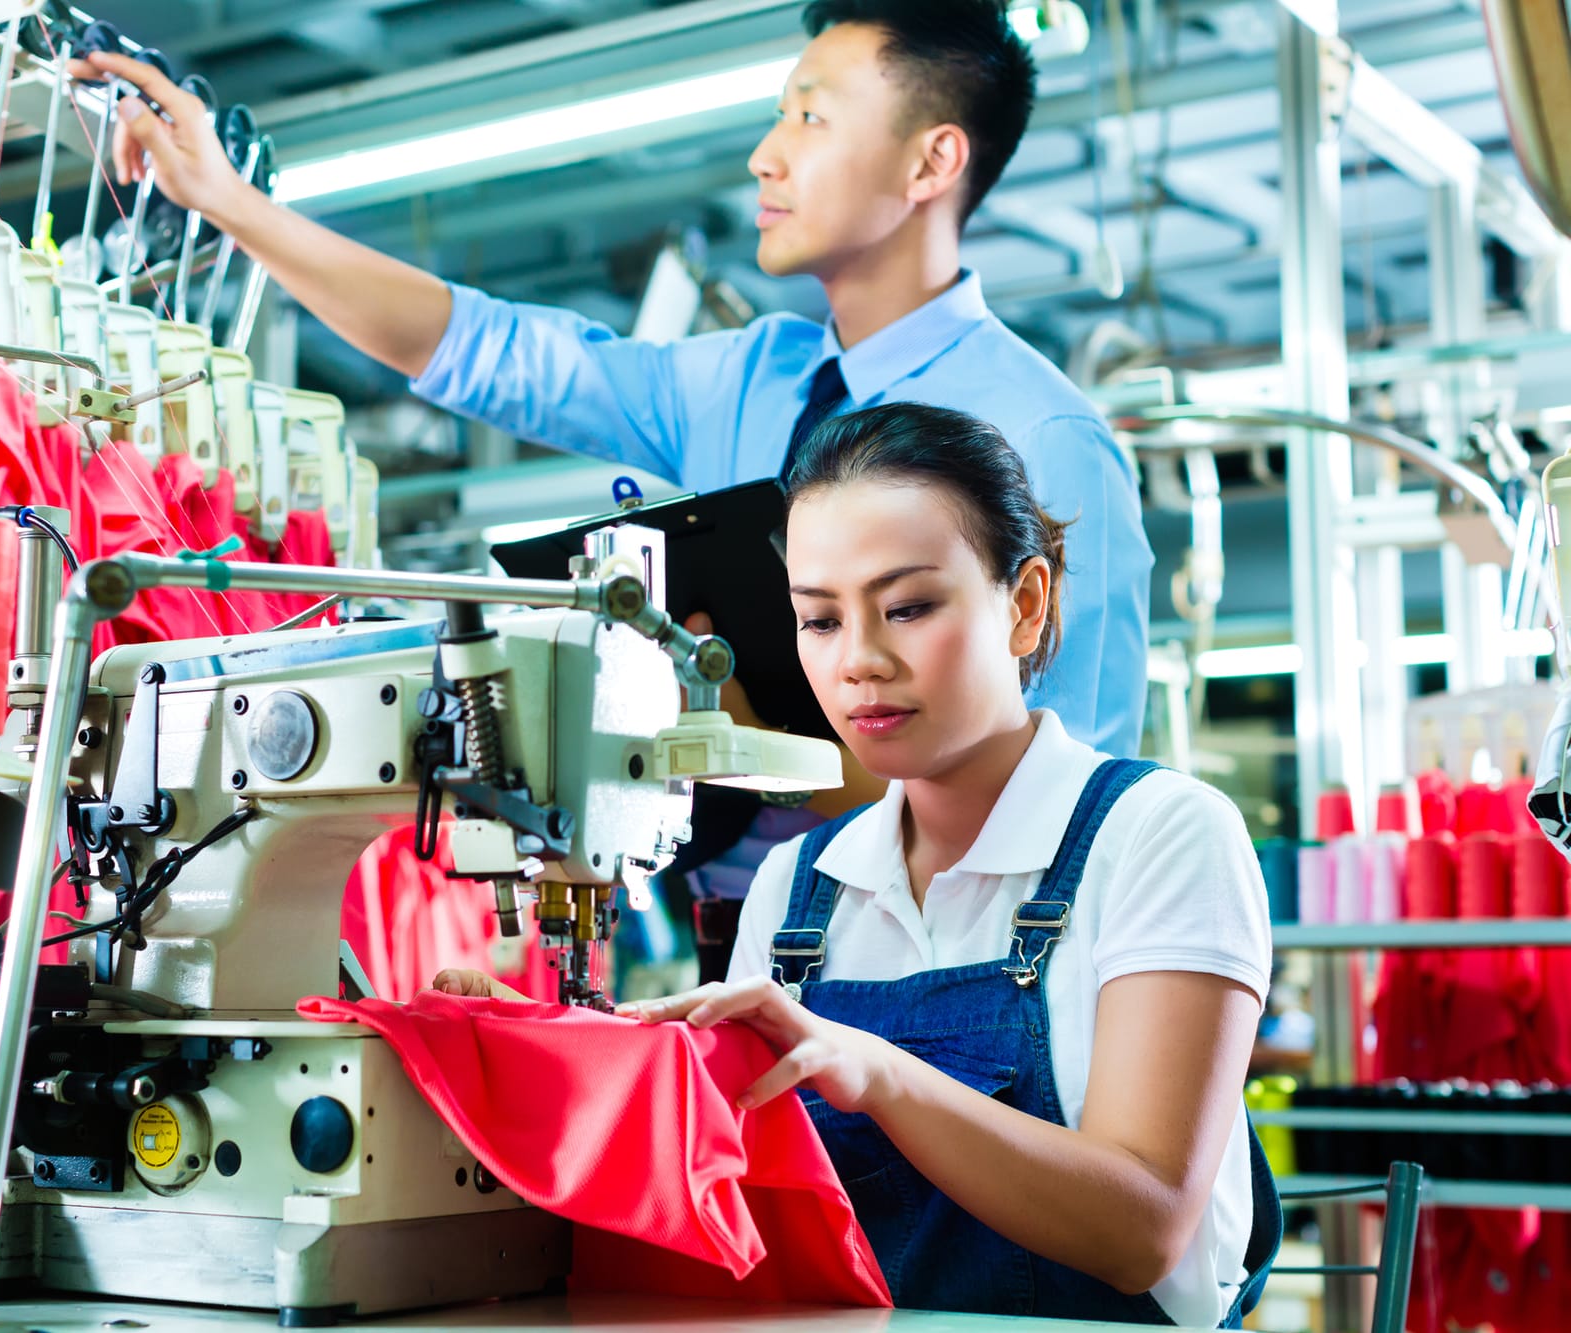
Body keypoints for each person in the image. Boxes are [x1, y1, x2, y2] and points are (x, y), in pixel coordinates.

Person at [70, 0, 1153, 981]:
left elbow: (1067, 795)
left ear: (931, 163)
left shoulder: (1042, 440)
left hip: (961, 967)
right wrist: (228, 204)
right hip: (749, 952)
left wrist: (773, 755)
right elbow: (488, 350)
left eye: (810, 120)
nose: (765, 156)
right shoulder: (745, 377)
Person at [436, 403, 1278, 1326]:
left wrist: (879, 1072)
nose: (859, 662)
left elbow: (1144, 1226)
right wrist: (550, 1065)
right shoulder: (798, 890)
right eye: (820, 619)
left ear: (1025, 603)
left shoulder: (1161, 836)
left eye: (908, 607)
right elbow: (741, 1191)